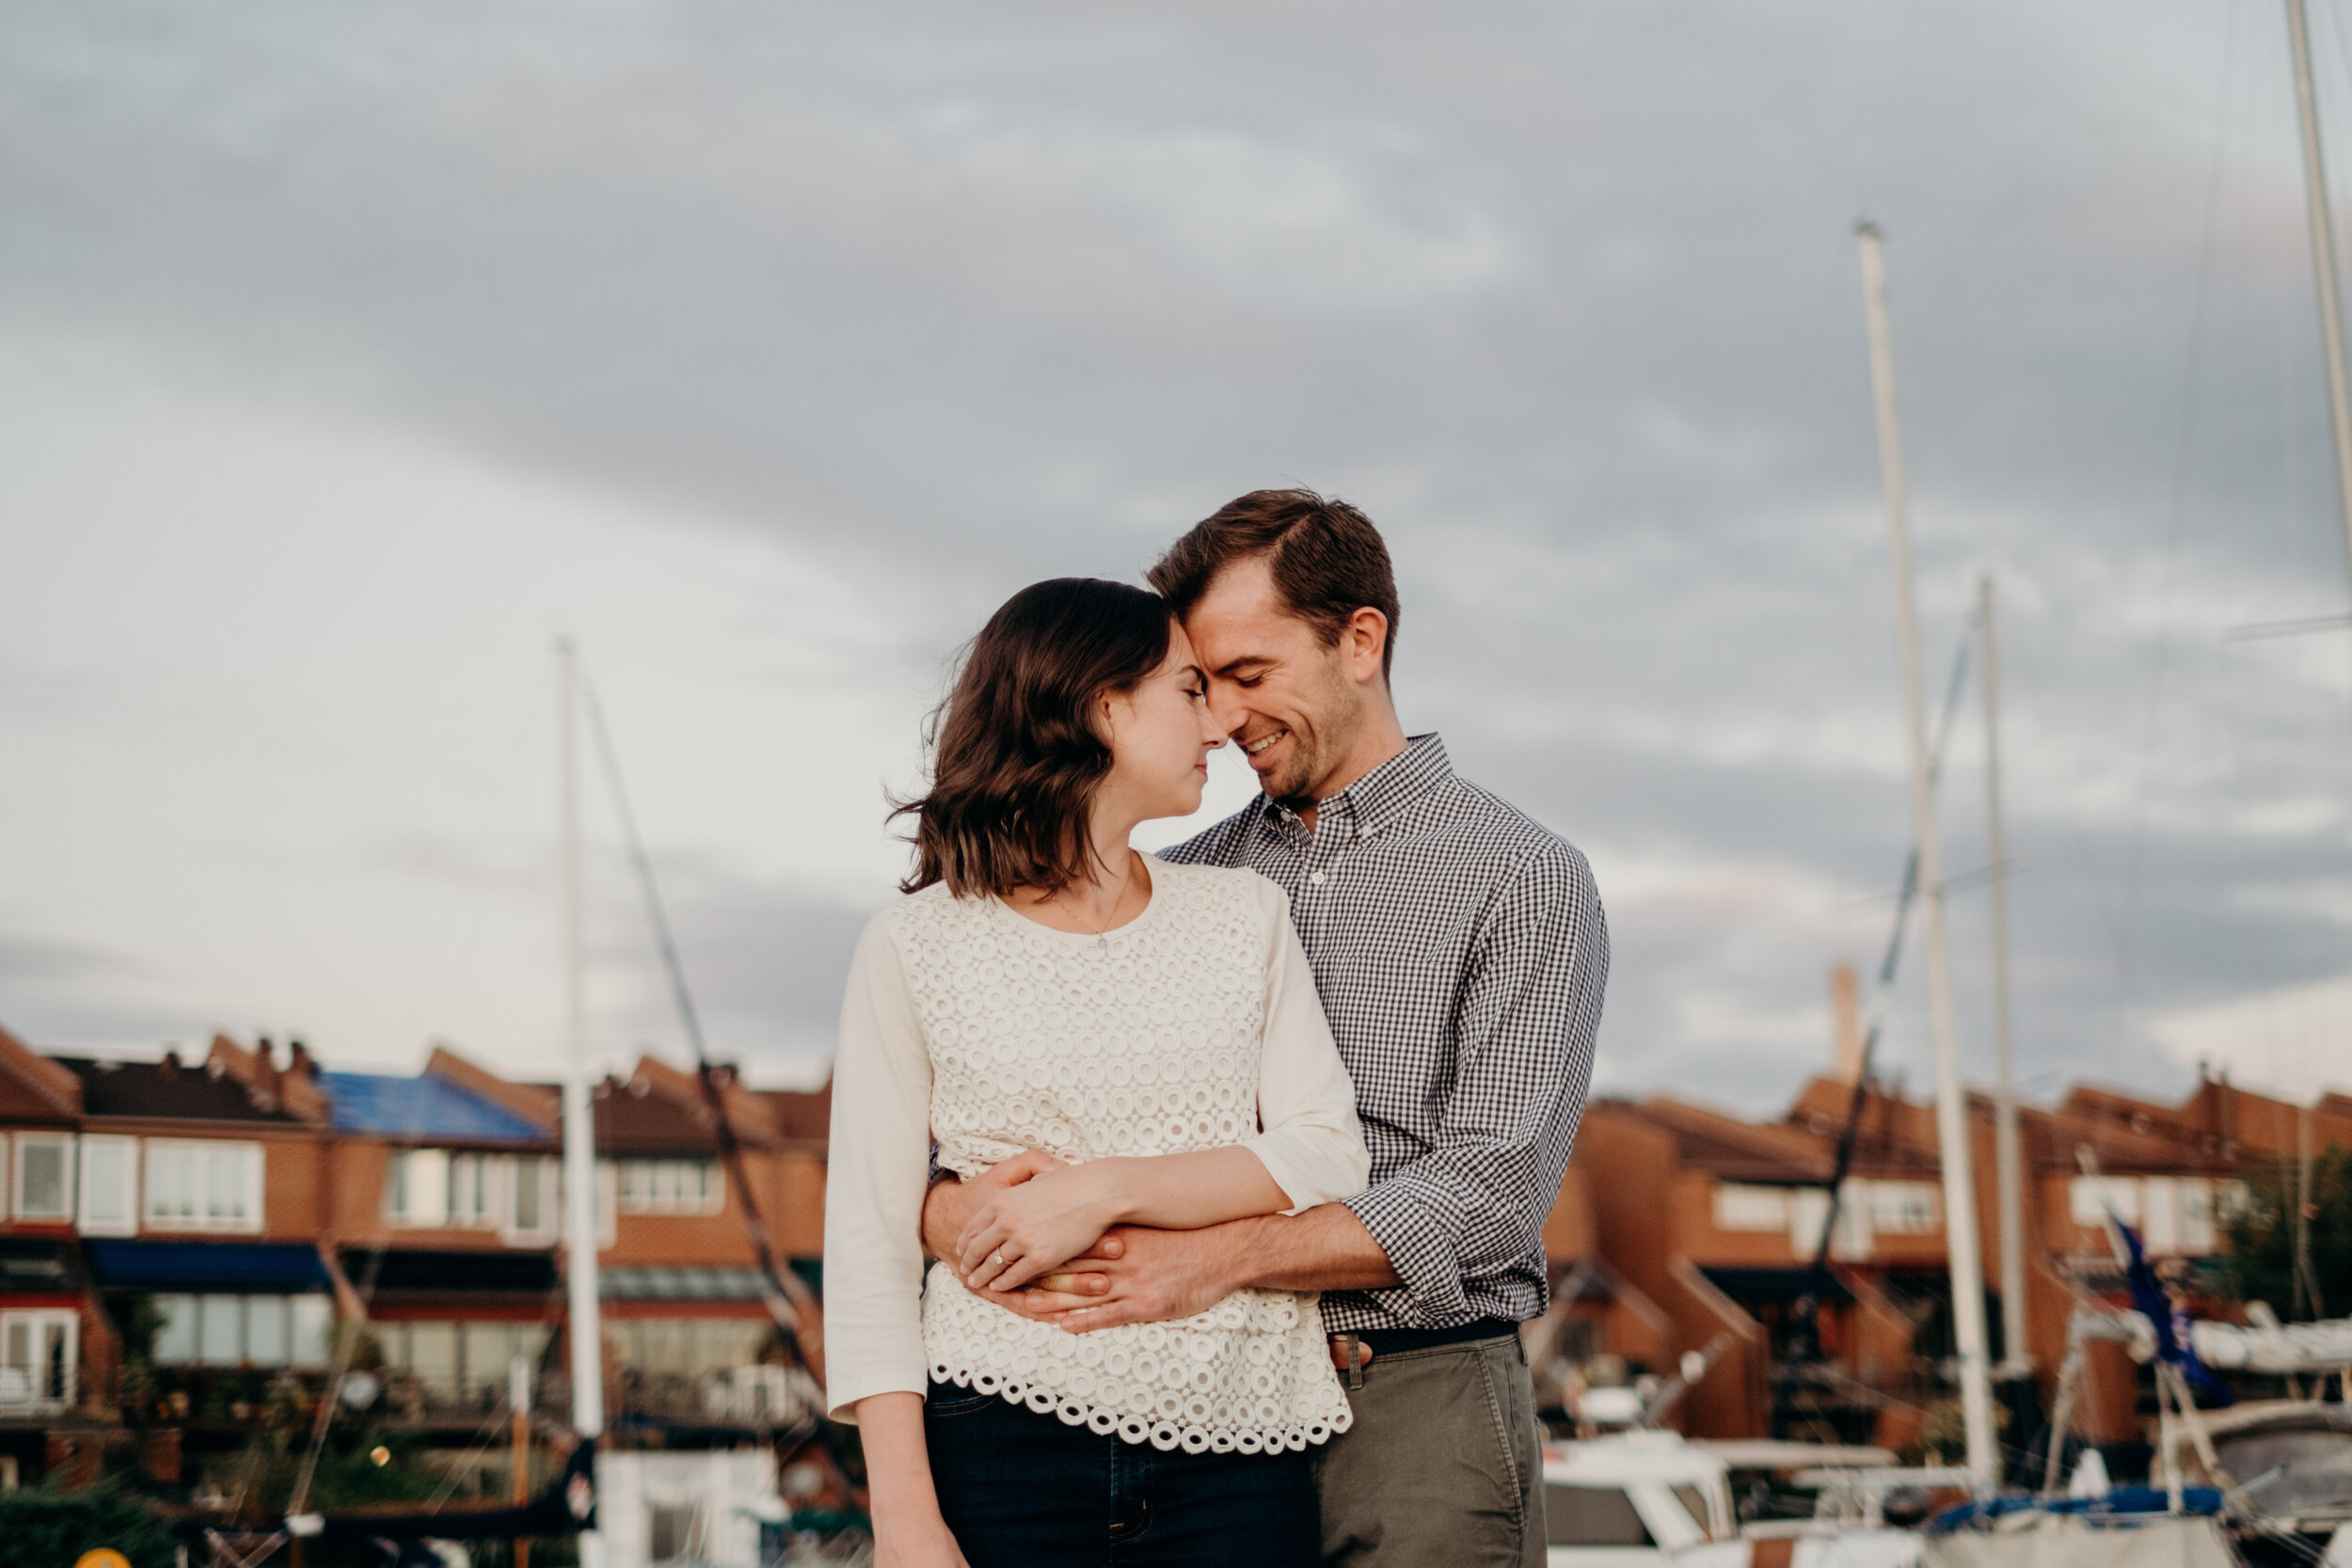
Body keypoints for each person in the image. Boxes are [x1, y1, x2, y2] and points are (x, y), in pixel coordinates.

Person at [926, 491, 1609, 1567]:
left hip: (1416, 1406)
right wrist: (962, 1211)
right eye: (1199, 685)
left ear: (1360, 640)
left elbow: (1488, 1192)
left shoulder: (1521, 874)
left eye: (1248, 674)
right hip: (1202, 1417)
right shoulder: (1185, 878)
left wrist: (1219, 1258)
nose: (1223, 716)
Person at [824, 577, 1373, 1568]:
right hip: (996, 1440)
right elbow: (868, 1236)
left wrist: (1104, 1189)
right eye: (1189, 689)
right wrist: (905, 1516)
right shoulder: (912, 944)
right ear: (1099, 703)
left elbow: (1327, 1148)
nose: (1219, 723)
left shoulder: (1244, 912)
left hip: (1238, 1454)